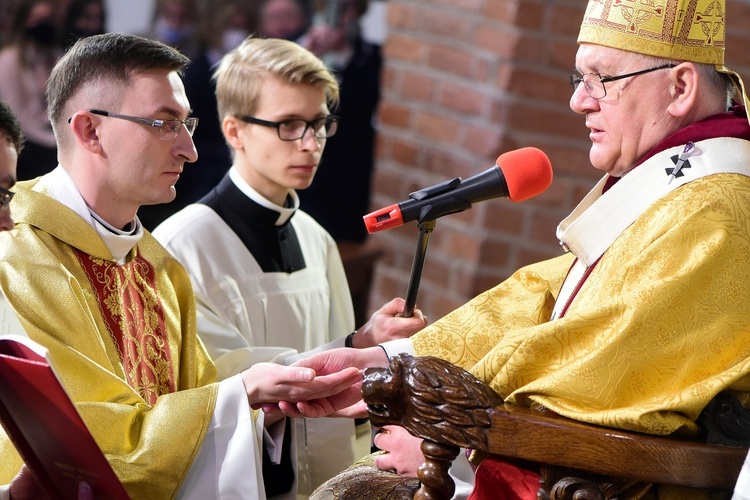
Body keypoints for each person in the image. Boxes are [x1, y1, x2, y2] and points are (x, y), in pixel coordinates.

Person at [298, 0, 750, 497]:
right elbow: (542, 297)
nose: (580, 101)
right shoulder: (681, 188)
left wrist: (443, 435)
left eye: (600, 79)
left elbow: (590, 369)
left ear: (680, 87)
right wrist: (390, 358)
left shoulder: (717, 212)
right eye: (578, 79)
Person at [0, 33, 365, 499]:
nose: (189, 150)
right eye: (163, 123)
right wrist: (243, 394)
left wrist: (273, 398)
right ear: (90, 130)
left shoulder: (158, 267)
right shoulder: (17, 256)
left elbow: (200, 395)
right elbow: (91, 451)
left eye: (186, 123)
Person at [152, 36, 427, 497]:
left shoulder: (315, 238)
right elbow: (213, 385)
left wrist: (366, 343)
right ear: (234, 130)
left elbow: (350, 379)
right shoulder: (182, 246)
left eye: (319, 124)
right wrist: (355, 345)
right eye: (289, 125)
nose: (310, 144)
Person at [297, 0, 382, 243]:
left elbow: (364, 105)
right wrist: (307, 56)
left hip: (347, 177)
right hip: (304, 171)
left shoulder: (371, 56)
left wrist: (342, 55)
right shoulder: (298, 46)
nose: (342, 16)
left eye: (348, 8)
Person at [0, 0, 62, 180]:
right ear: (25, 21)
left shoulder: (55, 57)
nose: (45, 25)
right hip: (24, 139)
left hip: (49, 131)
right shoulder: (8, 60)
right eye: (39, 19)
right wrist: (57, 142)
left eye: (50, 19)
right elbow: (19, 118)